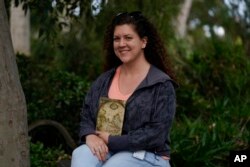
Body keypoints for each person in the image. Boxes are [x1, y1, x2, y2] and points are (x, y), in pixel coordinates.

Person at [71, 11, 178, 167]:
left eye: (128, 38)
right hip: (109, 149)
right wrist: (89, 135)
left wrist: (112, 140)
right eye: (117, 39)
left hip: (149, 155)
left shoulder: (161, 85)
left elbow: (157, 134)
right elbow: (87, 113)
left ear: (143, 42)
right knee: (81, 155)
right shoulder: (104, 80)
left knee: (115, 165)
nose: (121, 44)